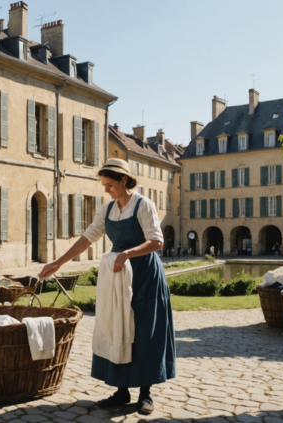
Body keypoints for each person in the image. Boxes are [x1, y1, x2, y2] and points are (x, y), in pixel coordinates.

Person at [38, 158, 175, 415]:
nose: (106, 189)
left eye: (109, 184)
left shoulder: (144, 205)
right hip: (118, 275)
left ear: (124, 181)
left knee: (144, 332)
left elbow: (156, 242)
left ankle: (145, 394)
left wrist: (127, 253)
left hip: (144, 275)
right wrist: (58, 263)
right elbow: (87, 238)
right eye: (104, 185)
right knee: (117, 328)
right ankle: (121, 390)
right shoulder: (107, 209)